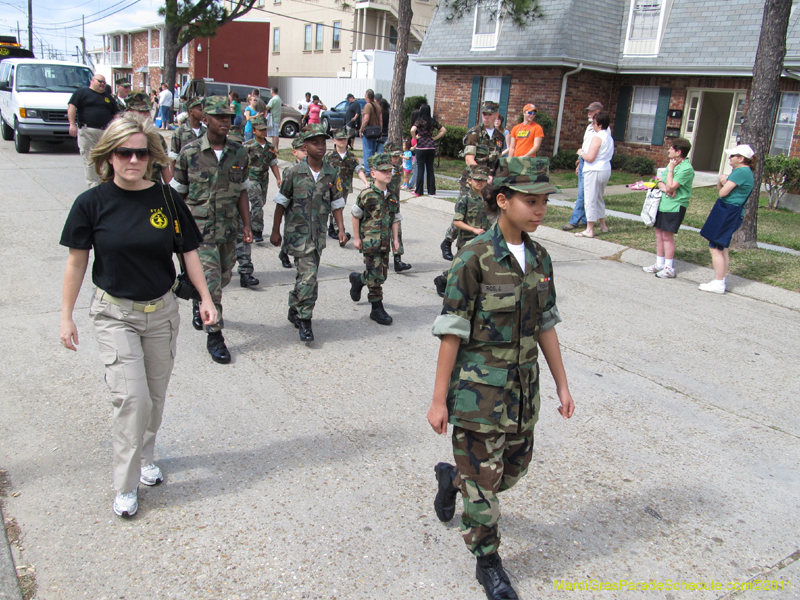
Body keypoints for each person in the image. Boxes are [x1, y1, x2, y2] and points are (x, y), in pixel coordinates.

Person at [426, 157, 575, 600]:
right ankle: (488, 561)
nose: (540, 209)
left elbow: (546, 323)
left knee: (511, 471)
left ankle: (454, 478)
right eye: (531, 201)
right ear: (503, 200)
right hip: (478, 396)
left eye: (544, 201)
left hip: (522, 394)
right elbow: (451, 333)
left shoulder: (541, 257)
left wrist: (563, 385)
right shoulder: (473, 258)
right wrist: (438, 401)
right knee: (485, 493)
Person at [58, 116, 216, 518]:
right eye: (124, 152)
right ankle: (125, 486)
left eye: (140, 152)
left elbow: (189, 252)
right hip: (115, 314)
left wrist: (204, 296)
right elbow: (76, 264)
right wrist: (66, 316)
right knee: (132, 398)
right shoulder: (90, 204)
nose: (132, 159)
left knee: (155, 398)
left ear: (151, 157)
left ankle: (147, 456)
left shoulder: (165, 198)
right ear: (108, 156)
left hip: (162, 312)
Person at [170, 96, 253, 364]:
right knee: (212, 283)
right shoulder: (190, 153)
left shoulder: (239, 152)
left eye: (229, 117)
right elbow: (178, 195)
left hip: (228, 230)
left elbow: (241, 191)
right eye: (219, 117)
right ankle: (215, 336)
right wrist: (175, 233)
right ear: (205, 119)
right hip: (199, 232)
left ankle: (199, 299)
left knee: (224, 277)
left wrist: (247, 225)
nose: (226, 121)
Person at [270, 124, 346, 342]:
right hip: (297, 235)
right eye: (315, 143)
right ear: (305, 146)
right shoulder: (293, 173)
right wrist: (275, 231)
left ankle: (295, 305)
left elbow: (337, 203)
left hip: (318, 235)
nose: (321, 147)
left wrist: (341, 229)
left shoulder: (331, 172)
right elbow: (281, 203)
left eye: (323, 143)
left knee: (306, 277)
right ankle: (305, 320)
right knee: (309, 277)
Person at [439, 100, 503, 260]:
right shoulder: (474, 133)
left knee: (486, 213)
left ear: (496, 115)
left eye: (489, 114)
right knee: (465, 212)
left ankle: (484, 245)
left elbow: (497, 161)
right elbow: (469, 159)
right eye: (484, 114)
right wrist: (484, 175)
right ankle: (447, 241)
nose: (486, 117)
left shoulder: (499, 137)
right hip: (472, 181)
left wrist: (496, 177)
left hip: (489, 182)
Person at [348, 153, 401, 325]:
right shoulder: (367, 194)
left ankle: (358, 280)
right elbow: (356, 216)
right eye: (383, 171)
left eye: (390, 171)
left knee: (381, 275)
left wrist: (396, 240)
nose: (388, 174)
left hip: (385, 242)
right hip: (370, 241)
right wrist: (356, 238)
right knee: (376, 275)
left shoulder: (393, 196)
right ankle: (376, 308)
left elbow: (395, 219)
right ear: (373, 174)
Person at [698, 145, 755, 294]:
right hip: (731, 211)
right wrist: (721, 181)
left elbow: (723, 192)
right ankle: (720, 280)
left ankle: (718, 283)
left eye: (732, 156)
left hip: (729, 212)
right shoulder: (744, 172)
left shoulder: (741, 171)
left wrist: (723, 181)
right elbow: (721, 191)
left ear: (741, 158)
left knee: (715, 247)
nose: (730, 158)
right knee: (723, 247)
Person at [432, 165, 491, 297]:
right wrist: (473, 230)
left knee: (481, 266)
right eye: (477, 180)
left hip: (484, 239)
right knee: (461, 267)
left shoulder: (487, 199)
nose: (480, 183)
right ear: (470, 181)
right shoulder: (465, 198)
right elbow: (457, 222)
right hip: (467, 240)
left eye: (483, 180)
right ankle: (442, 280)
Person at [642, 137, 695, 279]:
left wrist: (670, 174)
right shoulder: (671, 164)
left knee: (667, 236)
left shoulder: (686, 168)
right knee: (659, 234)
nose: (668, 150)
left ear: (678, 152)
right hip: (664, 203)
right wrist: (666, 188)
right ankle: (659, 263)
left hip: (676, 205)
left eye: (671, 148)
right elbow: (659, 181)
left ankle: (668, 267)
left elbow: (672, 186)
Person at [68, 73, 119, 188]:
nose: (102, 84)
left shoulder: (108, 97)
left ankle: (104, 184)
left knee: (105, 160)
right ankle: (93, 186)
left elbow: (115, 114)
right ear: (92, 80)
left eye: (104, 83)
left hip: (105, 132)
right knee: (90, 160)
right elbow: (71, 107)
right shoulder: (82, 93)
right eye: (100, 81)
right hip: (87, 131)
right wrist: (72, 124)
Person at [562, 101, 602, 231]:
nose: (589, 114)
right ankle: (585, 219)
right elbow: (586, 146)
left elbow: (596, 151)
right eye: (588, 111)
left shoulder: (602, 131)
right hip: (584, 160)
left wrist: (584, 157)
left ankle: (574, 221)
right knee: (583, 192)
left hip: (592, 163)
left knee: (582, 194)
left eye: (592, 111)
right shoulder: (589, 127)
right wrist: (580, 161)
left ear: (599, 112)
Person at [242, 114, 281, 246]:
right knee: (257, 202)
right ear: (254, 131)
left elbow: (273, 163)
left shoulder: (269, 147)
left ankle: (249, 222)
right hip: (251, 178)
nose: (263, 132)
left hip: (264, 179)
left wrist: (278, 178)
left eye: (265, 129)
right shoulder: (247, 146)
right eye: (260, 130)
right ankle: (257, 230)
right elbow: (241, 163)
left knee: (260, 203)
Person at [575, 111, 613, 238]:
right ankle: (603, 225)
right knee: (599, 197)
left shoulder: (597, 137)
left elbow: (590, 158)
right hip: (605, 169)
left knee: (590, 198)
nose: (593, 125)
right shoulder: (608, 137)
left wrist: (581, 153)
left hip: (594, 170)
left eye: (594, 122)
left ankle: (589, 228)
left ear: (599, 124)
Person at [325, 128, 368, 241]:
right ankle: (331, 227)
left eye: (344, 139)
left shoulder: (351, 157)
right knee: (327, 207)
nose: (342, 141)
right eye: (339, 139)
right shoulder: (329, 156)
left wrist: (366, 182)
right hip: (329, 187)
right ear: (334, 141)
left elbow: (358, 169)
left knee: (339, 208)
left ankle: (334, 229)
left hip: (344, 188)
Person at [123, 92, 173, 185]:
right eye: (141, 112)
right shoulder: (121, 137)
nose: (146, 115)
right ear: (130, 113)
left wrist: (170, 194)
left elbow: (164, 166)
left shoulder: (156, 138)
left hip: (152, 189)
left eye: (147, 111)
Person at [277, 136, 308, 270]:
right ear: (294, 152)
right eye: (302, 150)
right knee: (291, 232)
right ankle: (284, 252)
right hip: (293, 207)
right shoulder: (290, 170)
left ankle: (298, 258)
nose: (305, 153)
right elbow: (285, 192)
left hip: (307, 207)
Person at [383, 141, 412, 272]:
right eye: (393, 155)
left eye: (397, 156)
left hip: (394, 203)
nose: (395, 158)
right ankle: (380, 259)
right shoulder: (380, 168)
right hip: (381, 204)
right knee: (381, 231)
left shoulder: (399, 169)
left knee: (397, 230)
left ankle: (397, 259)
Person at [410, 104, 446, 197]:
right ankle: (431, 190)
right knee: (430, 169)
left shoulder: (419, 121)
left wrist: (415, 137)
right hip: (431, 147)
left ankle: (418, 191)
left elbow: (412, 130)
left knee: (421, 169)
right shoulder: (432, 121)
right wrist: (434, 138)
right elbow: (443, 130)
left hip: (421, 147)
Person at [169, 97, 206, 162]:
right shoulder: (179, 132)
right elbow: (173, 156)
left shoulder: (206, 132)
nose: (203, 113)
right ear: (191, 111)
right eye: (200, 110)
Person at [360, 89, 383, 175]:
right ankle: (373, 168)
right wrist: (380, 130)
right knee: (373, 151)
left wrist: (361, 129)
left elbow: (366, 119)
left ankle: (368, 170)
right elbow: (380, 120)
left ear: (367, 96)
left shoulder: (368, 106)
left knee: (367, 150)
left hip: (368, 131)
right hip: (376, 130)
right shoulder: (377, 106)